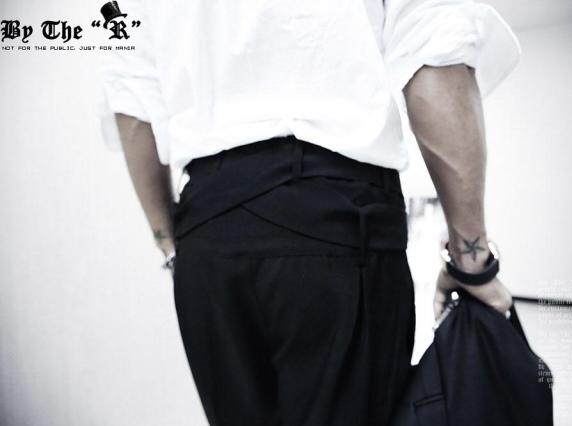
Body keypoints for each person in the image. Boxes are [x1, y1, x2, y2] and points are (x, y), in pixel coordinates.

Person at [99, 0, 520, 425]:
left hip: (207, 235)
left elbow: (131, 102)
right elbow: (436, 51)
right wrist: (471, 261)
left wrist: (173, 248)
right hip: (336, 219)